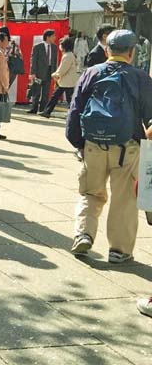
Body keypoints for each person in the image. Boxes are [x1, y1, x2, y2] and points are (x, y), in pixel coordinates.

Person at [67, 29, 152, 264]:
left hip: (93, 145)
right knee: (124, 199)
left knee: (90, 193)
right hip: (127, 148)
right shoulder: (140, 77)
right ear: (132, 52)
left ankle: (84, 233)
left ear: (107, 50)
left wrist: (79, 143)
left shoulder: (91, 73)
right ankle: (119, 250)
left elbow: (75, 111)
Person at [40, 37, 78, 117]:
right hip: (67, 81)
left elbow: (63, 69)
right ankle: (47, 111)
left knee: (67, 99)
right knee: (57, 97)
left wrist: (55, 74)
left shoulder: (67, 56)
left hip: (66, 81)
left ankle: (75, 114)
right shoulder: (70, 55)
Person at [28, 29, 59, 114]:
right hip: (38, 72)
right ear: (48, 37)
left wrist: (55, 73)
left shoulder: (54, 47)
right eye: (53, 36)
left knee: (46, 92)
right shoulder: (37, 47)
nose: (55, 37)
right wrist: (33, 73)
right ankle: (34, 108)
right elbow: (33, 61)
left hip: (49, 72)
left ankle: (42, 109)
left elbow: (54, 61)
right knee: (36, 91)